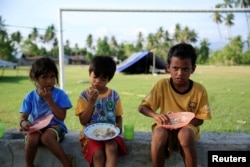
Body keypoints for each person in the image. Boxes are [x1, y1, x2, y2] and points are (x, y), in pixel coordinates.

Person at [138, 43, 211, 167]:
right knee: (159, 135)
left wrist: (182, 124)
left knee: (185, 135)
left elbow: (200, 119)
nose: (180, 73)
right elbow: (142, 107)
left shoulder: (199, 90)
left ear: (193, 68)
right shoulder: (162, 85)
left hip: (188, 127)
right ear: (168, 68)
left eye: (185, 69)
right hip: (165, 125)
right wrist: (156, 116)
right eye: (175, 68)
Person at [19, 57, 72, 167]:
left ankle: (66, 163)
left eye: (52, 76)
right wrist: (24, 123)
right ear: (35, 78)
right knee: (32, 138)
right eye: (44, 77)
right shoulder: (30, 96)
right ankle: (29, 165)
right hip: (36, 128)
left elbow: (62, 117)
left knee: (46, 138)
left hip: (56, 126)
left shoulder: (60, 94)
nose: (49, 81)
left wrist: (49, 100)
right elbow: (23, 117)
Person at [75, 55, 126, 167]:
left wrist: (119, 128)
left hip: (109, 133)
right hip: (90, 135)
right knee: (98, 154)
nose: (98, 82)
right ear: (90, 74)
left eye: (103, 79)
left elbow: (118, 116)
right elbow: (83, 121)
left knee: (112, 147)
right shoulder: (84, 95)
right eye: (95, 77)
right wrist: (91, 103)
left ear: (109, 79)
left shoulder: (114, 95)